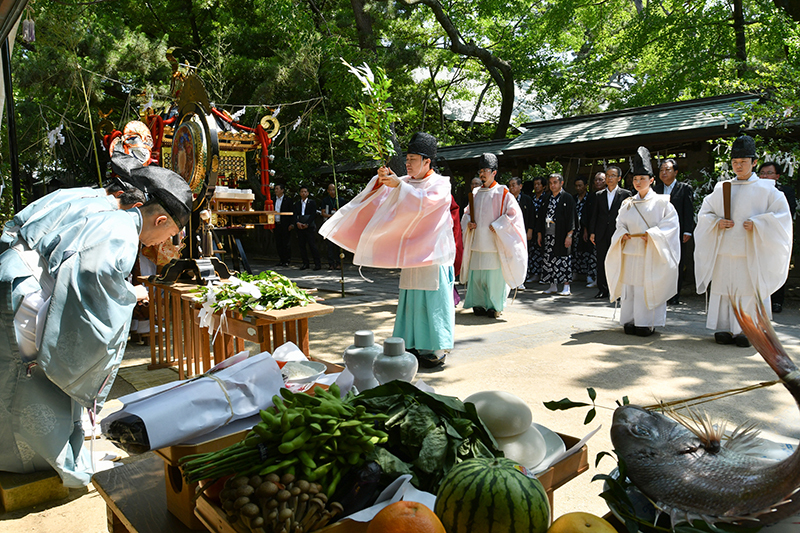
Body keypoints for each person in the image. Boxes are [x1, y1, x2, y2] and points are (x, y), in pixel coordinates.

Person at [0, 164, 192, 487]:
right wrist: (130, 295)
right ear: (160, 221)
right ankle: (33, 465)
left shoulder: (89, 197)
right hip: (28, 302)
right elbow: (93, 278)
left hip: (9, 276)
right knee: (34, 383)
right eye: (168, 234)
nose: (162, 242)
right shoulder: (121, 229)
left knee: (6, 375)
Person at [320, 132, 454, 368]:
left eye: (413, 159)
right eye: (407, 159)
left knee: (433, 299)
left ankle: (435, 348)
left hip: (432, 254)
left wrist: (399, 185)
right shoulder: (407, 182)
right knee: (411, 298)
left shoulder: (441, 184)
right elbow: (384, 196)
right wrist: (381, 180)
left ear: (427, 161)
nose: (408, 164)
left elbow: (425, 203)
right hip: (414, 253)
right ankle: (410, 343)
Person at [694, 135, 792, 347]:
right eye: (735, 162)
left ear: (754, 162)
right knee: (725, 288)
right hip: (724, 249)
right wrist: (717, 222)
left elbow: (782, 218)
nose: (738, 166)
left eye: (743, 162)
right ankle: (724, 327)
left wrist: (759, 224)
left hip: (750, 250)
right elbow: (705, 214)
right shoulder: (722, 187)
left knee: (748, 290)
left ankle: (747, 330)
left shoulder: (767, 189)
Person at [605, 147, 680, 336]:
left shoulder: (663, 203)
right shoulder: (627, 203)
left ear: (652, 180)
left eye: (642, 179)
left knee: (647, 286)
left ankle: (646, 322)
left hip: (650, 251)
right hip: (631, 251)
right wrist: (622, 233)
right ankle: (630, 319)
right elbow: (619, 223)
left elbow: (670, 226)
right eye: (635, 179)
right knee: (630, 287)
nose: (638, 182)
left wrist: (653, 234)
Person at [461, 154, 527, 318]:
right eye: (481, 170)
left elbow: (514, 216)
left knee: (493, 279)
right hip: (477, 241)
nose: (482, 174)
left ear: (494, 172)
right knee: (476, 277)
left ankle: (494, 306)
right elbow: (467, 214)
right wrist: (468, 222)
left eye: (486, 170)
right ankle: (477, 303)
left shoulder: (503, 193)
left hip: (493, 242)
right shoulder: (475, 193)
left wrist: (498, 225)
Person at [653, 159, 695, 305]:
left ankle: (674, 294)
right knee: (661, 261)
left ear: (675, 172)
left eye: (667, 169)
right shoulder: (656, 190)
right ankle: (662, 292)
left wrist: (688, 230)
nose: (664, 173)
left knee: (677, 262)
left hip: (678, 232)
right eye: (661, 170)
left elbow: (688, 211)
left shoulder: (684, 188)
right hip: (660, 232)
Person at [758, 161, 796, 313]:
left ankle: (777, 301)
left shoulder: (785, 191)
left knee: (775, 267)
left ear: (777, 176)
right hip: (756, 234)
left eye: (769, 173)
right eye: (762, 173)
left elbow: (789, 212)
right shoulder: (754, 190)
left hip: (775, 235)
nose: (765, 176)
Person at [590, 166, 632, 299]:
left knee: (618, 261)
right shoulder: (599, 195)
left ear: (619, 178)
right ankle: (603, 289)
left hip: (618, 232)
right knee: (602, 261)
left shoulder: (626, 194)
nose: (610, 178)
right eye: (608, 175)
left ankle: (618, 290)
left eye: (613, 175)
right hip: (601, 232)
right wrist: (592, 232)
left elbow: (629, 215)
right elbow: (594, 215)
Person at [537, 173, 577, 295]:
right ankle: (552, 285)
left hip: (562, 233)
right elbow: (540, 217)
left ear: (561, 183)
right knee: (549, 259)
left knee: (563, 258)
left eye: (555, 182)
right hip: (548, 234)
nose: (552, 185)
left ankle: (566, 286)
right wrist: (539, 234)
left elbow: (572, 218)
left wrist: (569, 235)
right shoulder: (546, 198)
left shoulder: (567, 198)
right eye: (551, 183)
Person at [508, 177, 534, 290]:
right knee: (510, 255)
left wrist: (530, 230)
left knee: (522, 255)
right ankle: (510, 280)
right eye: (510, 185)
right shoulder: (507, 199)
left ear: (520, 186)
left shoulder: (527, 199)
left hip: (523, 231)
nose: (512, 188)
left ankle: (521, 280)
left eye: (514, 185)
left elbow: (532, 216)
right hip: (509, 232)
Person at [293, 185, 322, 271]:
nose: (303, 193)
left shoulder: (312, 203)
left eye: (305, 192)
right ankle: (305, 263)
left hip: (309, 226)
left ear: (308, 193)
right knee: (302, 246)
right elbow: (294, 215)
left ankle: (317, 264)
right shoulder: (297, 204)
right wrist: (297, 223)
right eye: (302, 191)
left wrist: (307, 223)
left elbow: (313, 214)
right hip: (300, 226)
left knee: (312, 245)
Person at [573, 176, 594, 285]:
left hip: (586, 228)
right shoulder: (574, 198)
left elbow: (589, 215)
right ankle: (576, 272)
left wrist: (586, 229)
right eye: (576, 186)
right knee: (575, 252)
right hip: (575, 228)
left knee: (588, 252)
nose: (578, 188)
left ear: (586, 186)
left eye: (580, 185)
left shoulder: (591, 197)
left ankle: (589, 275)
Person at [527, 176, 548, 283]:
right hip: (533, 227)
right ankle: (535, 273)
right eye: (535, 184)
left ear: (544, 186)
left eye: (539, 184)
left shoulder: (547, 198)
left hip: (544, 227)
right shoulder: (531, 198)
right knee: (533, 251)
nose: (537, 186)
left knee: (543, 251)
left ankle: (544, 275)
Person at [319, 183, 342, 270]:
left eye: (333, 189)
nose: (332, 191)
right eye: (330, 190)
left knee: (337, 245)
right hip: (329, 224)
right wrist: (330, 216)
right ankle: (331, 263)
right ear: (328, 191)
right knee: (330, 246)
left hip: (338, 225)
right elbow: (323, 213)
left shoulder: (340, 200)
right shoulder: (325, 200)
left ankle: (339, 263)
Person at [271, 183, 294, 267]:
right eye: (275, 189)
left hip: (285, 224)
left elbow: (292, 212)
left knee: (286, 243)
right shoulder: (273, 200)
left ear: (282, 190)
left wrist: (291, 224)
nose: (276, 190)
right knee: (278, 243)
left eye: (277, 189)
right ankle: (281, 260)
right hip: (276, 224)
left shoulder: (288, 200)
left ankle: (287, 260)